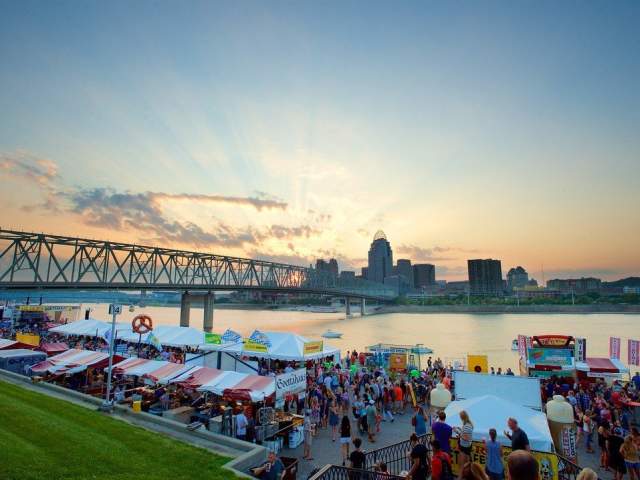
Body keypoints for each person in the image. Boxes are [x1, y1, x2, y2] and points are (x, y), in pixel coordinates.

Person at [453, 410, 474, 478]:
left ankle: (459, 478)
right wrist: (459, 429)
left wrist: (459, 434)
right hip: (467, 447)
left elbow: (466, 438)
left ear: (462, 417)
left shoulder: (466, 426)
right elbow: (466, 435)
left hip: (464, 448)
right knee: (467, 465)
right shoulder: (468, 424)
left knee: (461, 466)